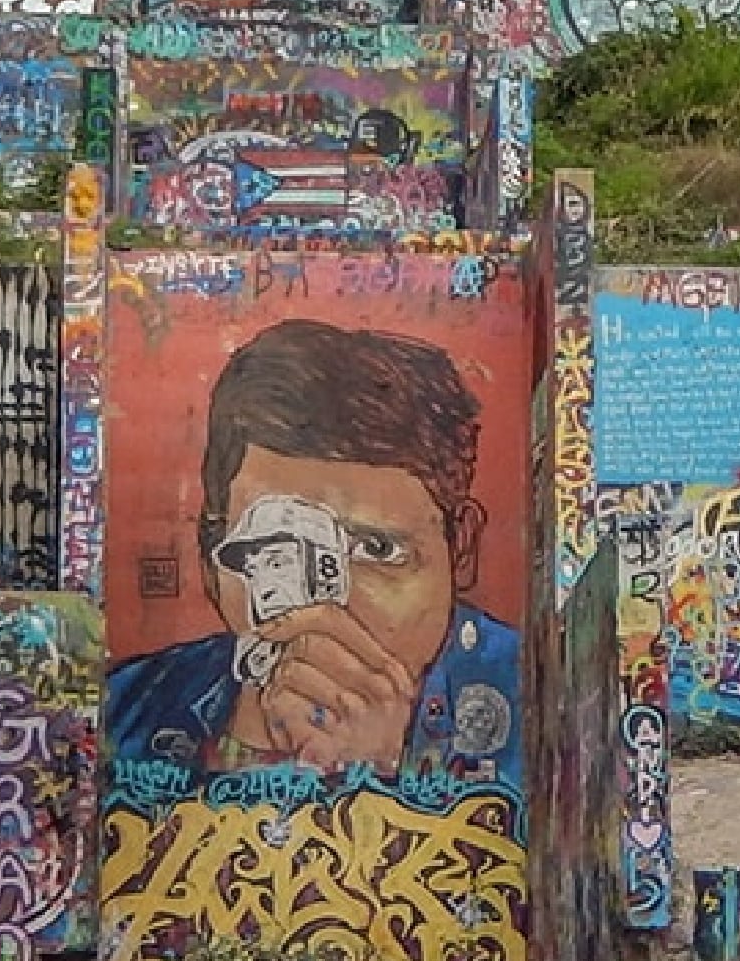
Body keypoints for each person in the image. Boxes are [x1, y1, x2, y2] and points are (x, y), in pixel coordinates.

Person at [106, 319, 522, 818]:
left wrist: (371, 784)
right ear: (214, 552)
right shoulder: (129, 707)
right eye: (272, 553)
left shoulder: (531, 707)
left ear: (463, 550)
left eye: (377, 550)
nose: (320, 605)